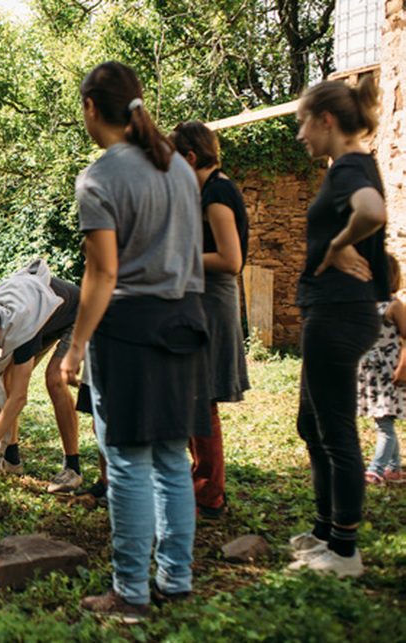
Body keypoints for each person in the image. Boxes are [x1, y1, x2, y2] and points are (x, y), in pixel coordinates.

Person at [61, 61, 210, 622]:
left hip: (130, 331)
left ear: (92, 108)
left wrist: (75, 348)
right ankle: (177, 578)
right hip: (187, 320)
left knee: (125, 460)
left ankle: (129, 593)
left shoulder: (98, 177)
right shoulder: (176, 166)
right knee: (173, 455)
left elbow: (101, 275)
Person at [286, 75, 389, 578]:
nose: (301, 134)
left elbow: (371, 211)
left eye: (304, 123)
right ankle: (327, 531)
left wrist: (336, 243)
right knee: (313, 424)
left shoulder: (349, 165)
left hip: (338, 313)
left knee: (336, 431)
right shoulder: (350, 164)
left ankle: (345, 550)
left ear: (326, 120)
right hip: (334, 312)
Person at [169, 121, 251, 522]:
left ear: (190, 157)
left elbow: (232, 261)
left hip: (213, 305)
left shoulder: (218, 192)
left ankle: (209, 496)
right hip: (198, 302)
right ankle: (198, 484)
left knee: (201, 403)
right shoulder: (204, 191)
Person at [0, 260, 85, 490]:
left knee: (54, 379)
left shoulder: (20, 324)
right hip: (44, 319)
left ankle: (73, 468)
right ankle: (11, 461)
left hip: (78, 313)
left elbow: (19, 398)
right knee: (5, 381)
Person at [357, 255, 405, 485]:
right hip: (370, 373)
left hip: (389, 372)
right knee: (380, 419)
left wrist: (403, 370)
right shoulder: (366, 303)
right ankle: (394, 469)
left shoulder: (394, 305)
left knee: (385, 422)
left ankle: (375, 470)